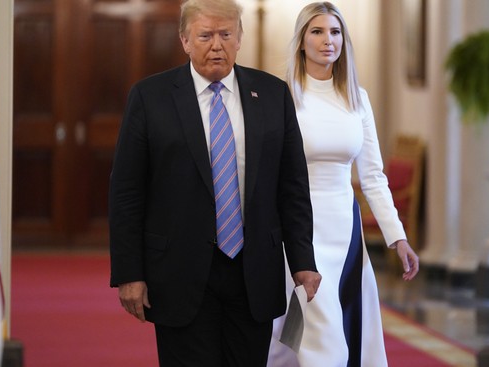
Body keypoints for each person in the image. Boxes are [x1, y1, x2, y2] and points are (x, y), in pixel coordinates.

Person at [108, 0, 322, 366]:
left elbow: (292, 187)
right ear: (185, 41)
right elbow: (127, 192)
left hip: (253, 270)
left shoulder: (272, 95)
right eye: (205, 35)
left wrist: (302, 259)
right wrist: (130, 273)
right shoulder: (150, 97)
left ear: (240, 38)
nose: (216, 45)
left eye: (226, 34)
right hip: (178, 271)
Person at [267, 2, 419, 367]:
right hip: (299, 231)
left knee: (341, 331)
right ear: (301, 41)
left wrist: (397, 237)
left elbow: (372, 177)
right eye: (317, 32)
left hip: (345, 229)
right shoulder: (282, 96)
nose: (327, 40)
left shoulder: (357, 98)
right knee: (320, 339)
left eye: (335, 32)